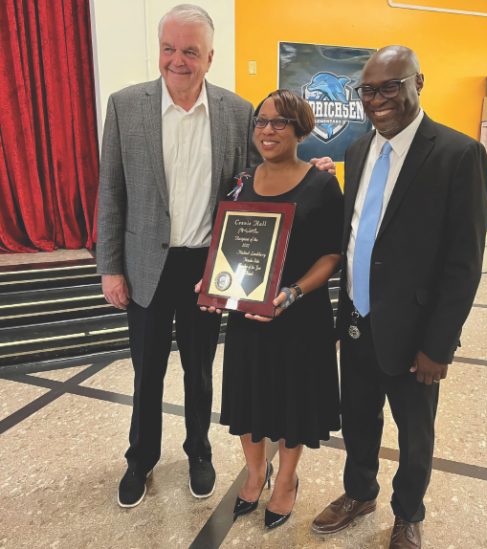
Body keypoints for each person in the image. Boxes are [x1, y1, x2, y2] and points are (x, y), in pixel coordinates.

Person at [97, 4, 334, 509]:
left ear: (209, 57)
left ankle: (199, 451)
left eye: (189, 51)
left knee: (201, 369)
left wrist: (310, 164)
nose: (177, 60)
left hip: (211, 268)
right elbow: (110, 191)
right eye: (168, 48)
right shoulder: (125, 106)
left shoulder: (235, 111)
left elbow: (267, 172)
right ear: (158, 50)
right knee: (147, 369)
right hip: (145, 265)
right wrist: (110, 266)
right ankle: (140, 458)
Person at [311, 46, 487, 548]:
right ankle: (359, 492)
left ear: (418, 82)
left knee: (414, 433)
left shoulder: (458, 154)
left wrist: (439, 346)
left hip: (415, 333)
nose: (377, 99)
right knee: (358, 418)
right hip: (358, 319)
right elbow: (357, 237)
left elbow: (464, 265)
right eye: (367, 90)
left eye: (390, 86)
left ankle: (408, 512)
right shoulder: (356, 151)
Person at [203, 89, 343, 529]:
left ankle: (286, 480)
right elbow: (229, 244)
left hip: (299, 317)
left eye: (280, 122)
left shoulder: (321, 183)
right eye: (261, 122)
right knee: (249, 396)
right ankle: (256, 471)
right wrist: (213, 283)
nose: (267, 130)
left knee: (293, 402)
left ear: (300, 129)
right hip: (248, 316)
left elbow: (332, 255)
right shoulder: (241, 182)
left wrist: (293, 294)